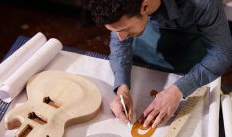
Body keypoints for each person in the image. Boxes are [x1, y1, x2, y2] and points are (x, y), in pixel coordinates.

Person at [88, 0, 232, 128]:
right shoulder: (124, 8)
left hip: (189, 63)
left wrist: (178, 90)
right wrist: (122, 88)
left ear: (144, 6)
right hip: (143, 57)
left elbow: (221, 54)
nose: (121, 37)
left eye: (125, 29)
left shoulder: (203, 2)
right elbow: (120, 43)